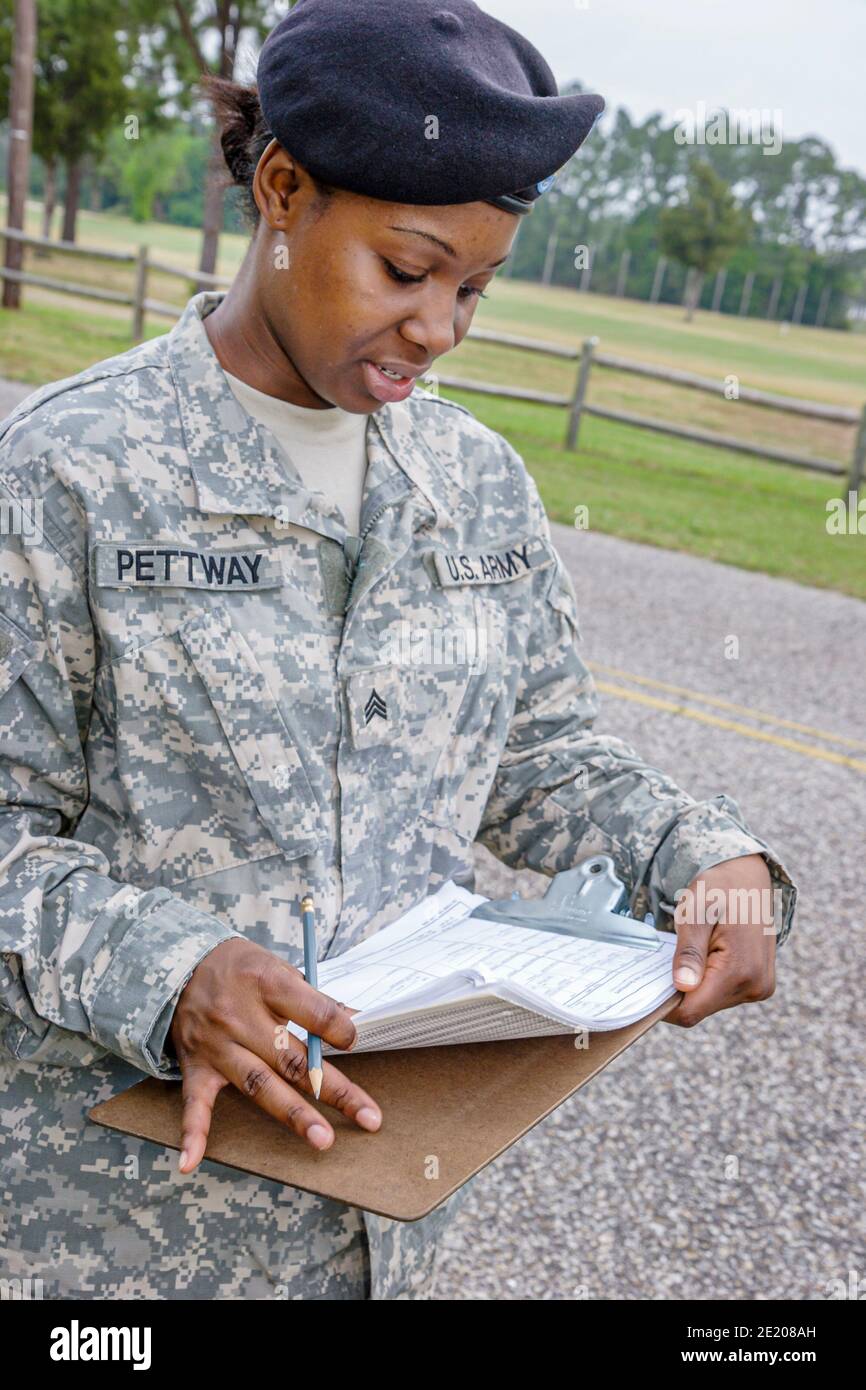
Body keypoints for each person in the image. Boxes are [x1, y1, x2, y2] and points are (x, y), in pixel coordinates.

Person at [0, 0, 796, 1300]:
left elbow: (537, 759)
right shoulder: (73, 470)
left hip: (383, 1228)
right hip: (126, 1245)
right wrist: (172, 967)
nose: (439, 328)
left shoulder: (475, 485)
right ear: (281, 189)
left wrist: (707, 854)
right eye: (406, 269)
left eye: (474, 287)